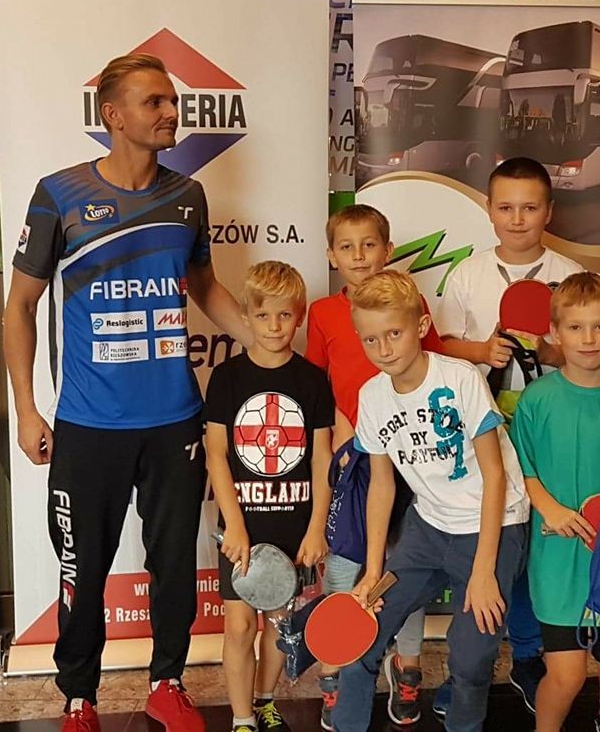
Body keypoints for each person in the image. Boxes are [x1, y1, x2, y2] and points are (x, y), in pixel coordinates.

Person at [4, 52, 251, 732]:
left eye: (172, 100)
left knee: (174, 565)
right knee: (82, 568)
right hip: (89, 424)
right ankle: (78, 697)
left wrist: (265, 344)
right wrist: (26, 409)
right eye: (155, 102)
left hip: (176, 422)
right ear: (113, 115)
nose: (171, 112)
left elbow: (204, 287)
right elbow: (19, 306)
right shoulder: (59, 194)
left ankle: (167, 684)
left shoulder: (188, 195)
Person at [333, 270, 530, 732]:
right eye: (370, 339)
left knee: (471, 656)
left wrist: (483, 572)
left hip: (493, 525)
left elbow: (495, 476)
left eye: (394, 334)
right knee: (362, 631)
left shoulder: (461, 379)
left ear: (421, 326)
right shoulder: (372, 396)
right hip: (428, 527)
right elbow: (381, 486)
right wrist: (374, 570)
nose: (384, 349)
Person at [435, 156, 583, 708]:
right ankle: (467, 668)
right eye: (505, 207)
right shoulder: (467, 274)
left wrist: (549, 351)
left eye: (529, 207)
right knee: (491, 539)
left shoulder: (569, 273)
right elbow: (443, 345)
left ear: (549, 210)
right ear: (489, 210)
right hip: (483, 428)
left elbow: (587, 347)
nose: (517, 219)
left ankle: (527, 653)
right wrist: (483, 350)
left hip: (548, 425)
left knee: (536, 540)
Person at [305, 204, 445, 728]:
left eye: (369, 245)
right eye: (347, 246)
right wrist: (343, 433)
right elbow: (317, 384)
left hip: (411, 457)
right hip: (357, 460)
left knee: (403, 567)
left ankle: (406, 666)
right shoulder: (323, 312)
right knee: (346, 566)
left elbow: (434, 367)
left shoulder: (411, 302)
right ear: (331, 256)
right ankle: (336, 672)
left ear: (388, 250)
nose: (359, 256)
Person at [513, 272, 600, 732]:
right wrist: (550, 508)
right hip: (558, 561)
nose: (588, 339)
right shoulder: (536, 400)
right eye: (576, 328)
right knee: (566, 677)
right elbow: (520, 470)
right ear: (555, 333)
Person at [206, 261, 334, 732]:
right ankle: (242, 718)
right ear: (247, 316)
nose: (274, 326)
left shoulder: (312, 381)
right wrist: (234, 526)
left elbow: (321, 458)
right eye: (263, 316)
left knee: (280, 622)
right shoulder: (227, 378)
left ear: (299, 317)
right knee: (239, 626)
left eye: (284, 315)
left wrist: (316, 528)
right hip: (241, 528)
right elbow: (217, 455)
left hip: (293, 528)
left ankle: (264, 700)